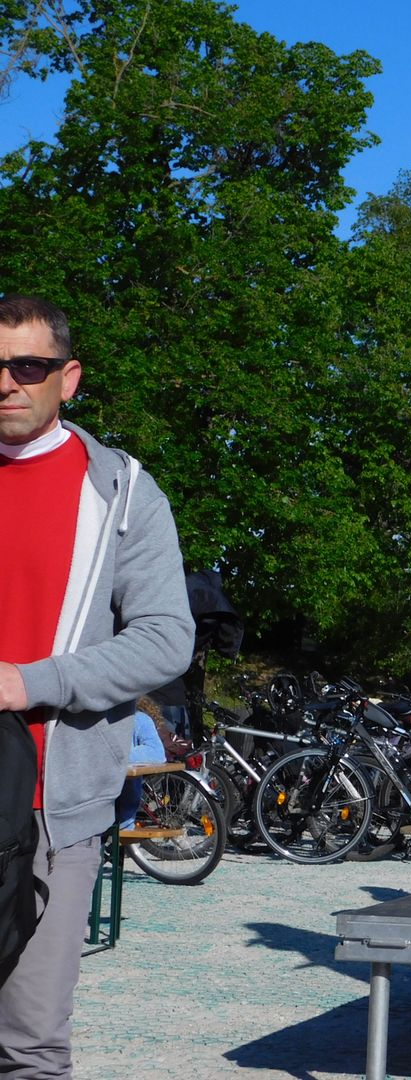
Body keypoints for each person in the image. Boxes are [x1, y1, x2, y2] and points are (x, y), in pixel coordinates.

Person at [0, 295, 192, 1074]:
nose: (7, 382)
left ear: (68, 377)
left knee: (27, 1044)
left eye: (28, 366)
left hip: (50, 807)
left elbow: (165, 639)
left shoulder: (120, 492)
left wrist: (30, 682)